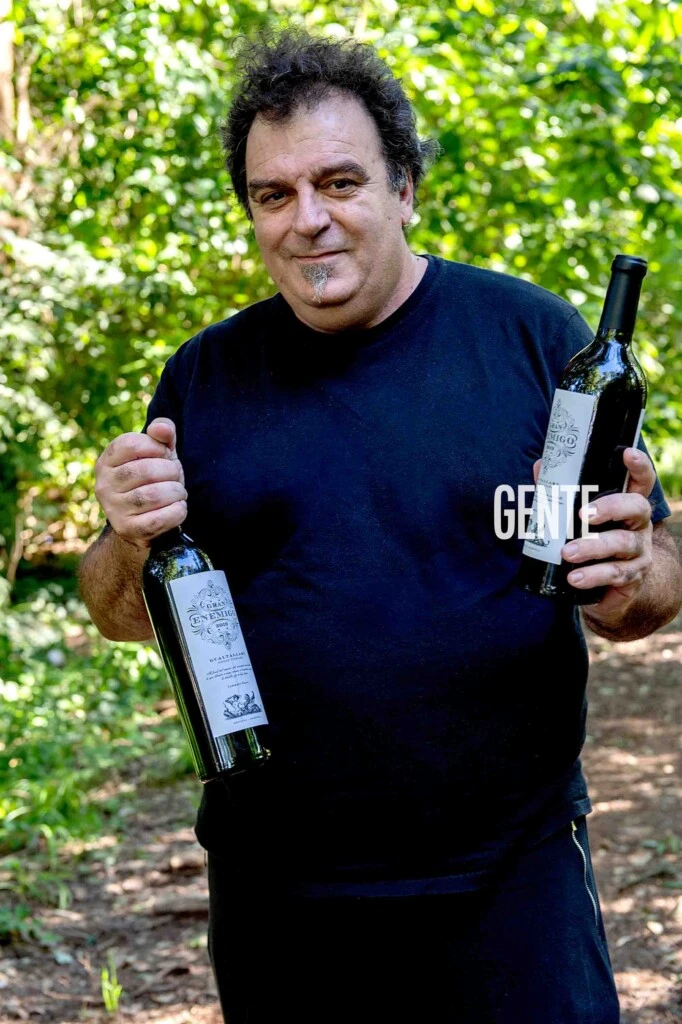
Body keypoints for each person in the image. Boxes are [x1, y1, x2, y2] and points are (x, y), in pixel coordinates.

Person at [78, 27, 682, 1024]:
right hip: (280, 894)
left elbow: (646, 587)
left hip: (508, 883)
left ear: (404, 188)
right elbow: (119, 612)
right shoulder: (205, 378)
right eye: (274, 195)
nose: (307, 220)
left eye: (339, 183)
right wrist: (128, 535)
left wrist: (629, 568)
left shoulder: (531, 340)